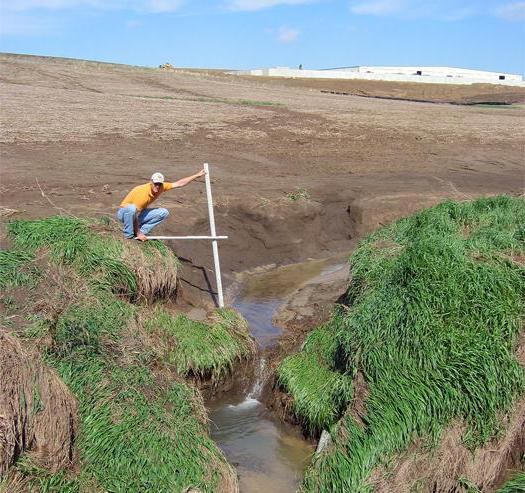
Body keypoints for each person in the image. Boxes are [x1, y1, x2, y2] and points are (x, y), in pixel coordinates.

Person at [117, 169, 205, 241]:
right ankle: (128, 236)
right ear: (151, 182)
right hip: (124, 214)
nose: (157, 186)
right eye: (156, 184)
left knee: (164, 212)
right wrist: (138, 233)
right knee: (132, 209)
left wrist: (197, 175)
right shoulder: (142, 193)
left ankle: (142, 232)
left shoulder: (162, 187)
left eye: (159, 184)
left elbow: (179, 183)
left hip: (136, 213)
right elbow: (134, 214)